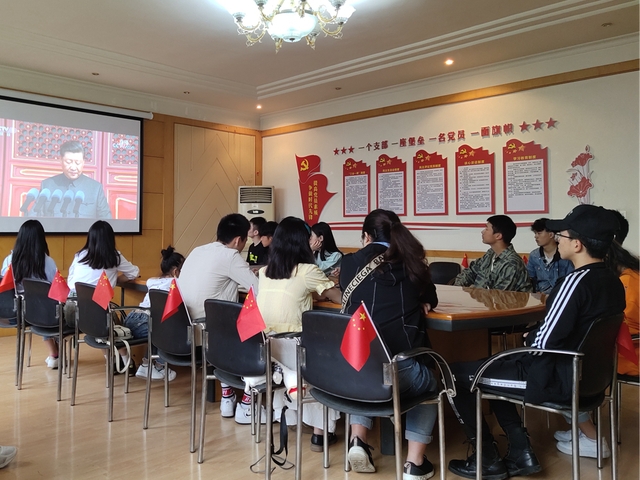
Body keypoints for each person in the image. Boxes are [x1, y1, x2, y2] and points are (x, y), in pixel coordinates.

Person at [447, 204, 626, 480]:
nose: (557, 239)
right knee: (493, 368)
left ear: (577, 244)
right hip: (589, 377)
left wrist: (531, 335)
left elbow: (541, 343)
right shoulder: (612, 281)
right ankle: (521, 452)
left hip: (553, 377)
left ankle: (486, 459)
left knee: (455, 375)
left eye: (561, 235)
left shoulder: (574, 283)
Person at [339, 209, 439, 479]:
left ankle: (358, 440)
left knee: (365, 366)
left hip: (350, 367)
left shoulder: (349, 263)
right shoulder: (411, 264)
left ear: (366, 236)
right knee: (431, 380)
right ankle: (414, 463)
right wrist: (421, 300)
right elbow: (431, 296)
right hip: (398, 368)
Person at [255, 216, 342, 444]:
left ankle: (292, 417)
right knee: (329, 357)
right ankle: (320, 433)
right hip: (294, 348)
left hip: (266, 348)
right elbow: (340, 298)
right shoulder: (307, 270)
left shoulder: (264, 272)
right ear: (302, 242)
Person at [178, 213, 259, 422]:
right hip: (210, 332)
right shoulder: (231, 256)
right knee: (254, 329)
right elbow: (258, 289)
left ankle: (227, 394)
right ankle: (246, 399)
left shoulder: (197, 250)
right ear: (238, 240)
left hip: (184, 327)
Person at [66, 221, 140, 370]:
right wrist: (115, 279)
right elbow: (134, 273)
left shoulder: (79, 255)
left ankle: (110, 361)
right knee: (114, 323)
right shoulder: (114, 257)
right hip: (97, 314)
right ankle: (127, 363)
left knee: (101, 320)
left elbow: (70, 282)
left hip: (71, 312)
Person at [116, 246, 185, 381]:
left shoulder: (152, 282)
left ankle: (146, 365)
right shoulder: (177, 283)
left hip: (131, 318)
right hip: (145, 321)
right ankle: (160, 365)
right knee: (167, 327)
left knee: (158, 325)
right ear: (176, 271)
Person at [1, 220, 59, 368]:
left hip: (14, 315)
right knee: (52, 306)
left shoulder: (9, 260)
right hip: (41, 315)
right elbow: (55, 291)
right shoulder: (48, 262)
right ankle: (55, 353)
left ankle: (54, 354)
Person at [454, 214, 531, 292]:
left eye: (487, 229)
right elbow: (470, 272)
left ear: (498, 236)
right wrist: (455, 288)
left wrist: (473, 292)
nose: (482, 232)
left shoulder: (512, 263)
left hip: (496, 299)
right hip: (481, 298)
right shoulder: (490, 254)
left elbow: (499, 295)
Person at [40, 140, 112, 219]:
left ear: (83, 162)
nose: (73, 167)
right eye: (68, 162)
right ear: (61, 160)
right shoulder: (47, 185)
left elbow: (106, 220)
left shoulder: (95, 189)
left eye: (78, 163)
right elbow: (35, 217)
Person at [527, 218, 574, 294]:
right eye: (535, 233)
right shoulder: (534, 255)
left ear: (551, 234)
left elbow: (570, 279)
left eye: (539, 233)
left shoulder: (565, 254)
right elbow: (530, 279)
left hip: (560, 294)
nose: (536, 236)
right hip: (540, 296)